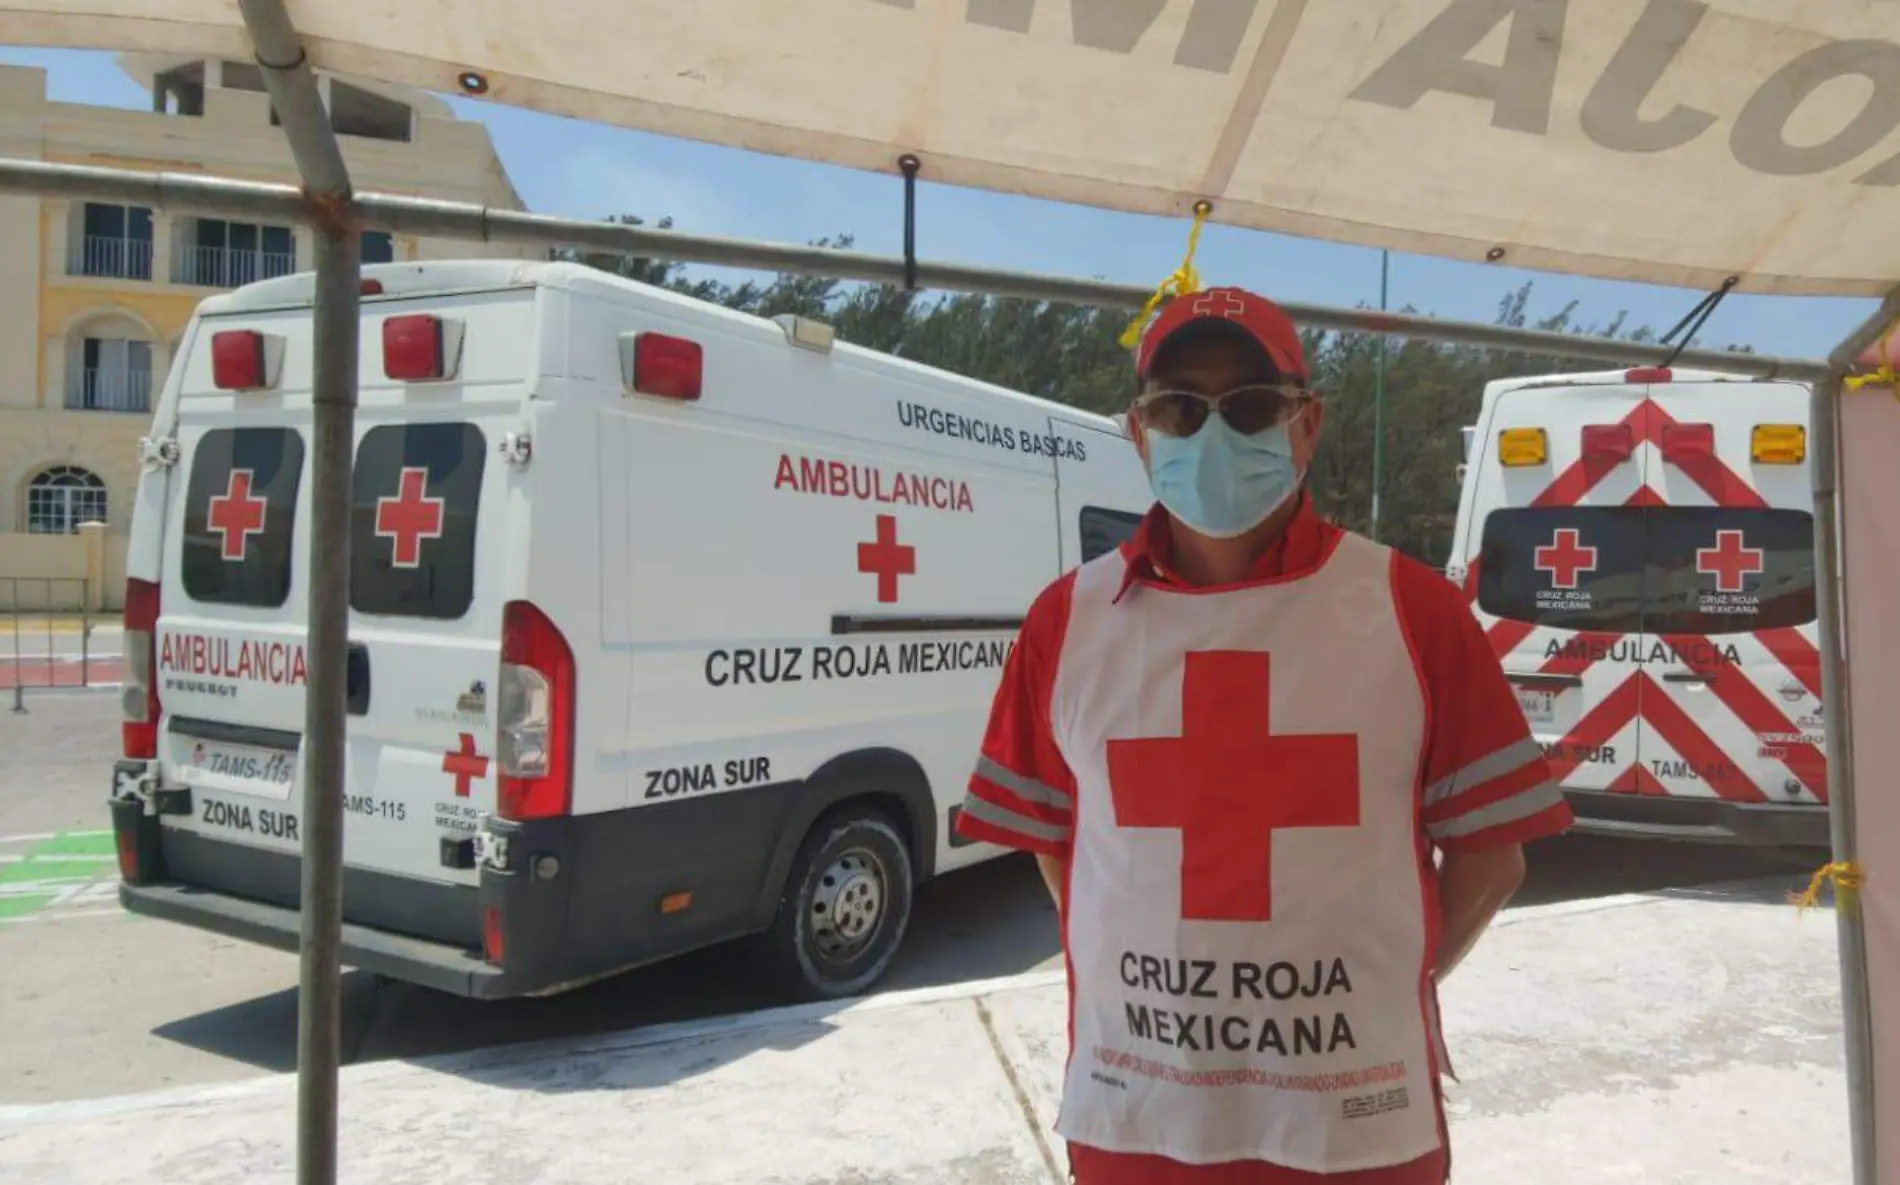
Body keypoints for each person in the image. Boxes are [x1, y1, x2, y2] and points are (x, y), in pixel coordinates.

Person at [955, 286, 1572, 1184]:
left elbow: (1493, 857)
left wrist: (1387, 992)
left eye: (1249, 406)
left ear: (1308, 423)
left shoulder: (1414, 611)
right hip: (1137, 1124)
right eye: (1177, 407)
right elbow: (1063, 845)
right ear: (1138, 432)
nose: (1212, 435)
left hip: (1356, 1135)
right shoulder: (1065, 622)